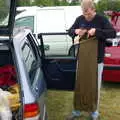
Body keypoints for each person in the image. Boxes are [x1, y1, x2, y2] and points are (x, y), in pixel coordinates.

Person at [66, 0, 116, 120]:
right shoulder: (80, 19)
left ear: (93, 9)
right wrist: (75, 31)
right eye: (84, 13)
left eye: (88, 13)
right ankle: (77, 110)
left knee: (94, 86)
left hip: (97, 59)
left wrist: (97, 31)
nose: (86, 16)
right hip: (82, 59)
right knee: (80, 84)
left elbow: (112, 33)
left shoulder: (101, 19)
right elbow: (69, 31)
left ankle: (94, 111)